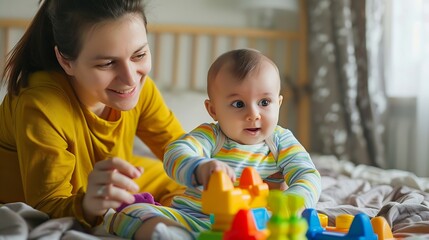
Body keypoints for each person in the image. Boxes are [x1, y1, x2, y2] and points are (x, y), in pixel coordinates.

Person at [0, 0, 189, 237]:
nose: (130, 79)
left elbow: (184, 155)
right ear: (66, 61)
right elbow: (47, 205)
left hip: (107, 185)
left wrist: (212, 168)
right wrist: (89, 205)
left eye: (139, 54)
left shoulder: (142, 90)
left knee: (191, 183)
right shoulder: (40, 105)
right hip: (59, 200)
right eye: (107, 63)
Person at [104, 49, 322, 239]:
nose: (253, 114)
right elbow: (175, 153)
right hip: (195, 219)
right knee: (132, 212)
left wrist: (295, 200)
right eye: (238, 104)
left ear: (279, 103)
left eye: (264, 102)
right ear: (213, 110)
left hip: (257, 225)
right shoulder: (211, 136)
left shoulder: (281, 142)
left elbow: (307, 174)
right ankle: (176, 236)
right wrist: (199, 167)